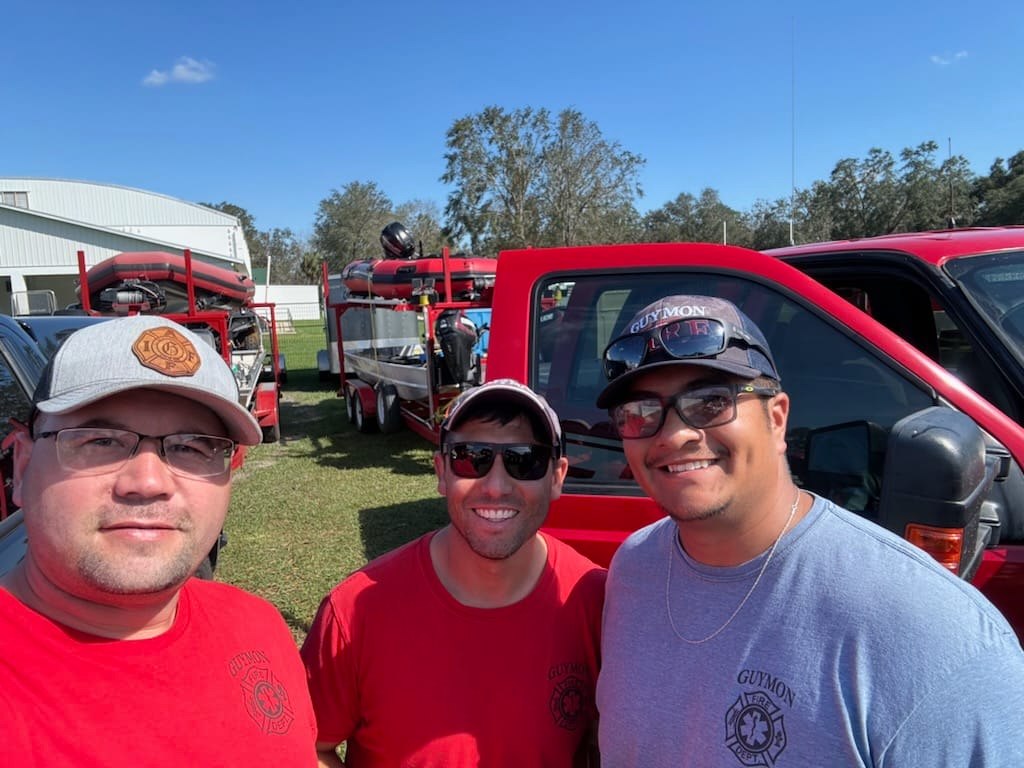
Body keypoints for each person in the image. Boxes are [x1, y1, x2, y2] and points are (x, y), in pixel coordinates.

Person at [594, 295, 1024, 766]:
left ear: (776, 419)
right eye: (639, 412)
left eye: (711, 402)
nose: (673, 434)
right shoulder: (634, 571)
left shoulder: (934, 633)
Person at [0, 315, 317, 766]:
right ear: (22, 467)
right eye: (100, 441)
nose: (148, 482)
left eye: (192, 446)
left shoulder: (257, 627)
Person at [302, 379, 606, 767]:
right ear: (442, 472)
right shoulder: (354, 613)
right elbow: (309, 746)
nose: (496, 486)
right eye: (471, 457)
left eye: (524, 459)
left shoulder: (595, 602)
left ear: (557, 477)